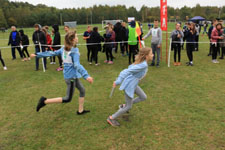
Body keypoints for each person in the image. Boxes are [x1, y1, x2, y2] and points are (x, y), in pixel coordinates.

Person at [31, 31, 94, 114]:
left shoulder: (64, 48)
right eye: (76, 37)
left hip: (72, 76)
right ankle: (44, 101)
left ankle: (80, 110)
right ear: (72, 40)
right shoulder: (74, 51)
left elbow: (52, 53)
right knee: (67, 99)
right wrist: (86, 76)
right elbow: (77, 65)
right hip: (71, 78)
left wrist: (37, 54)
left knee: (82, 90)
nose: (78, 38)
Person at [107, 47, 153, 127]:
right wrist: (118, 81)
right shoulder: (143, 65)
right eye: (151, 54)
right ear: (146, 56)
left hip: (133, 83)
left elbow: (130, 67)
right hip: (129, 85)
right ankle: (111, 118)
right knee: (129, 106)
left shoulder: (142, 62)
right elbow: (127, 71)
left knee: (143, 97)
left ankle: (123, 106)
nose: (153, 55)